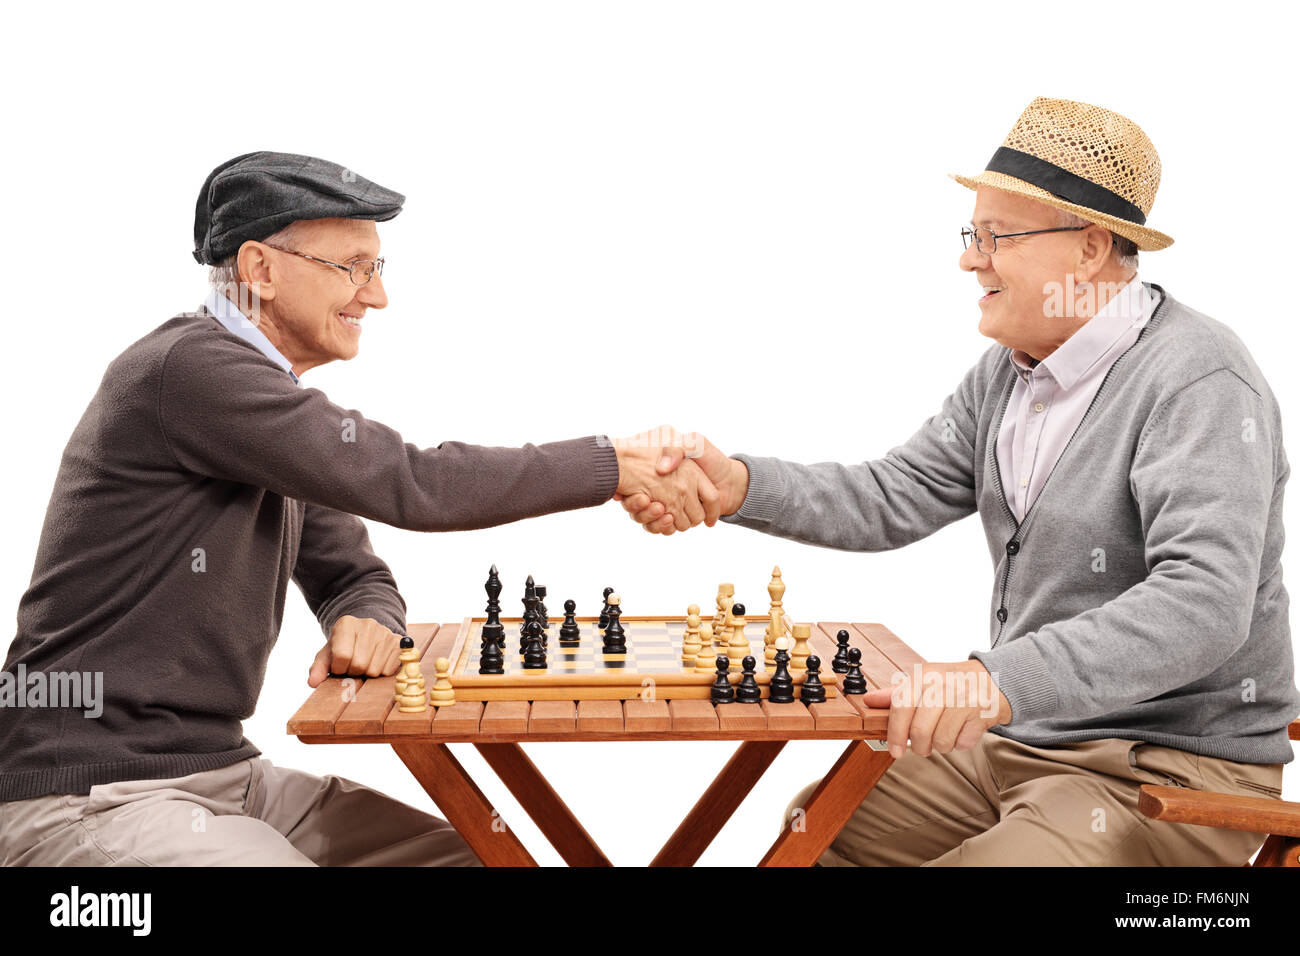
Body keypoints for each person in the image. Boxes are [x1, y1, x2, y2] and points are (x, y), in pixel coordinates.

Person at [620, 98, 1300, 865]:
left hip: (1165, 771)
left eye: (995, 236)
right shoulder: (1010, 375)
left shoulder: (1198, 379)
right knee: (819, 833)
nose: (969, 258)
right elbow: (891, 495)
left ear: (1089, 246)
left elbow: (1203, 604)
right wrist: (738, 483)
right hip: (1022, 742)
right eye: (971, 233)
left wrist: (994, 680)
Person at [0, 151, 719, 866]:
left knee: (480, 860)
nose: (376, 298)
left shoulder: (261, 407)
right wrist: (612, 464)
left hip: (224, 777)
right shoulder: (191, 370)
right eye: (353, 267)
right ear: (261, 270)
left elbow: (353, 570)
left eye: (378, 269)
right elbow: (415, 482)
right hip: (94, 795)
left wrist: (369, 618)